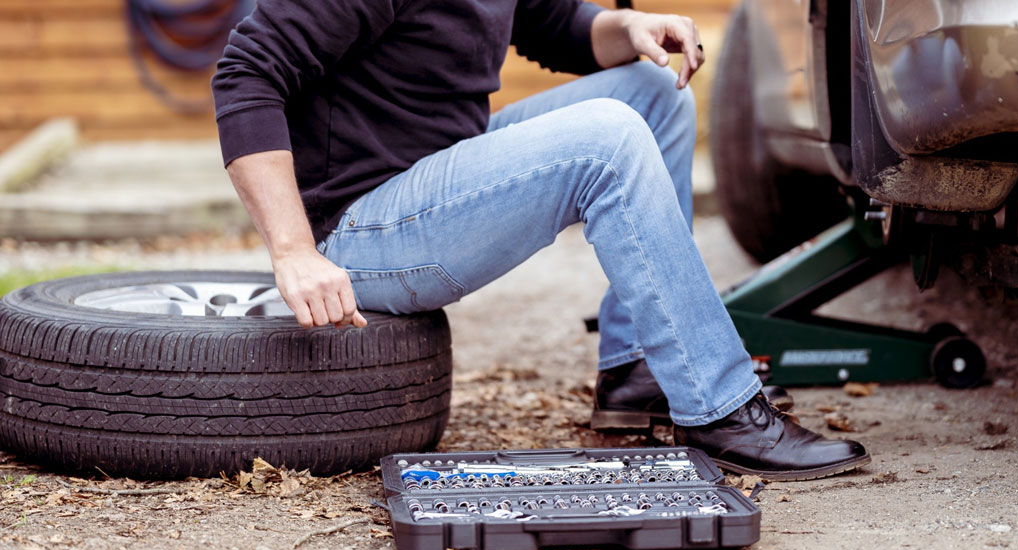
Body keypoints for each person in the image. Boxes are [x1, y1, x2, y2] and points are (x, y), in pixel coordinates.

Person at [212, 0, 869, 480]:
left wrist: (628, 29)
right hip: (360, 231)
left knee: (653, 93)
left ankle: (638, 371)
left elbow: (556, 27)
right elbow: (245, 72)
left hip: (435, 175)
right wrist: (294, 250)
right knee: (607, 137)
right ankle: (718, 402)